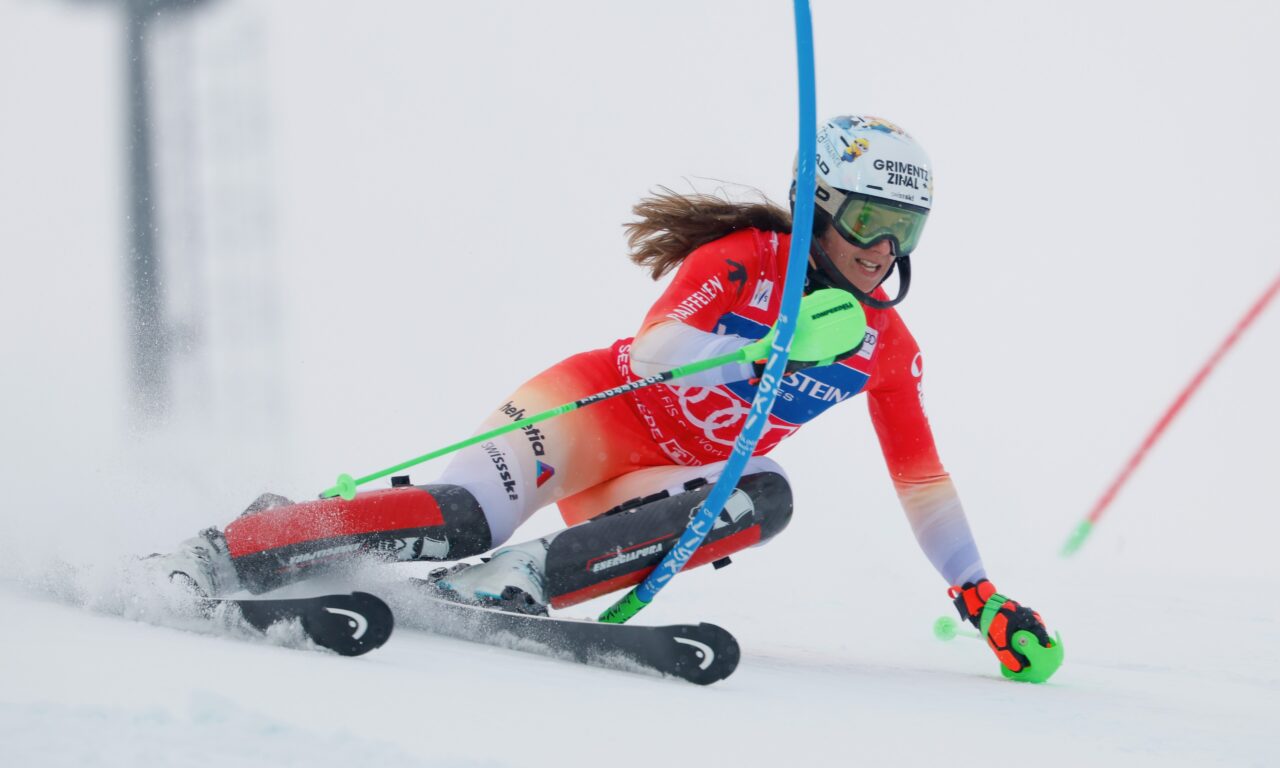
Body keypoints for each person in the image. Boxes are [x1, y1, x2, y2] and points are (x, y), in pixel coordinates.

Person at [151, 115, 1055, 677]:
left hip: (660, 477)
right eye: (868, 221)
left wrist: (977, 595)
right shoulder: (746, 259)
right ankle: (231, 546)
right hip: (586, 416)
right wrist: (776, 341)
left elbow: (921, 475)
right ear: (816, 204)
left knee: (766, 494)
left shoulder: (884, 346)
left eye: (905, 230)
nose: (883, 250)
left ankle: (515, 585)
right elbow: (660, 354)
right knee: (463, 515)